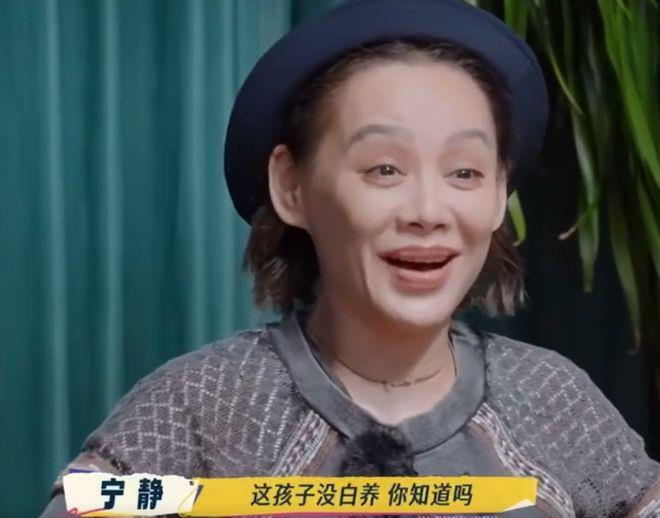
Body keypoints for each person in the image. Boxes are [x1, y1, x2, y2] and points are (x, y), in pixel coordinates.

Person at [39, 0, 660, 517]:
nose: (428, 210)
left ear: (500, 194)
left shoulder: (554, 399)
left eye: (465, 172)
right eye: (384, 168)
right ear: (292, 186)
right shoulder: (201, 404)